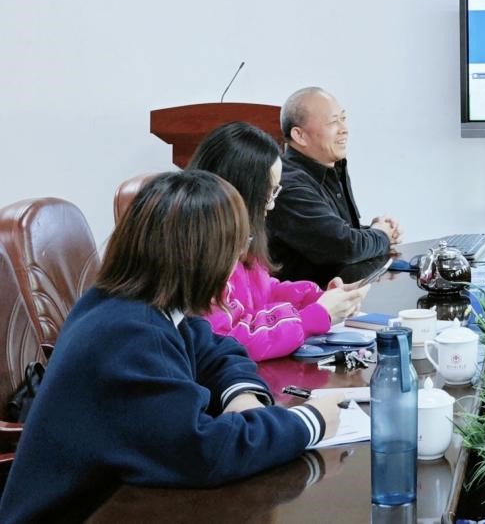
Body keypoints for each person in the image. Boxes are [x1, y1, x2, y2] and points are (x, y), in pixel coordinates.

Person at [0, 171, 341, 523]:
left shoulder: (132, 303)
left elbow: (215, 348)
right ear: (205, 257)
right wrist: (310, 421)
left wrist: (242, 396)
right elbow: (201, 453)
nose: (238, 260)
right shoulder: (130, 335)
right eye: (237, 246)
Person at [188, 121, 369, 361]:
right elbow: (231, 339)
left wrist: (318, 299)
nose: (272, 205)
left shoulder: (238, 240)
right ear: (243, 192)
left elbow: (264, 291)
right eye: (269, 193)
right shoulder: (202, 255)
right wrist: (315, 316)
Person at [267, 86, 403, 285]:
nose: (344, 129)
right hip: (307, 299)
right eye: (332, 122)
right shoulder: (288, 183)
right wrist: (381, 234)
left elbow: (336, 233)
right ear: (299, 135)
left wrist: (377, 231)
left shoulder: (332, 167)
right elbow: (344, 248)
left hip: (343, 291)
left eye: (343, 118)